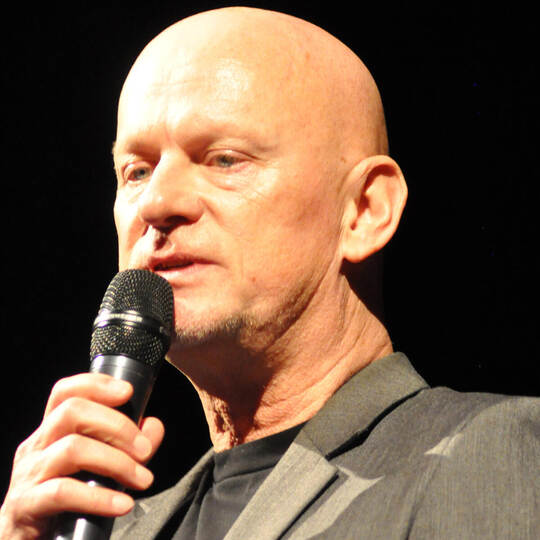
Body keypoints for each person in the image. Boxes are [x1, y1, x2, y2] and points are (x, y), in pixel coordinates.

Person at [1, 6, 538, 539]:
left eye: (224, 159)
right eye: (136, 171)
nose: (156, 203)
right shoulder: (106, 532)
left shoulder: (495, 452)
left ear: (364, 210)